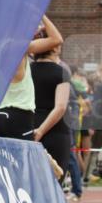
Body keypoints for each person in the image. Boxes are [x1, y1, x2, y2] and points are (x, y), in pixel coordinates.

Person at [0, 15, 63, 141]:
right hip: (19, 116)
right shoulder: (20, 47)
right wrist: (41, 15)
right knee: (21, 160)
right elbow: (57, 39)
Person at [31, 40, 71, 178]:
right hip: (55, 131)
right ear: (55, 48)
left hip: (30, 127)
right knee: (54, 182)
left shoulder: (25, 71)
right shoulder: (61, 73)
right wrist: (41, 130)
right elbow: (60, 107)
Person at [83, 63, 102, 183]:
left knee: (92, 150)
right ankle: (89, 173)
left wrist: (92, 124)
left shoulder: (100, 86)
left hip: (99, 122)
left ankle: (86, 175)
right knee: (99, 149)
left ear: (101, 72)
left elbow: (97, 106)